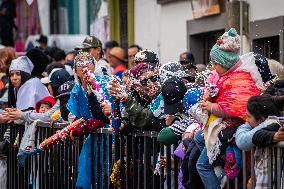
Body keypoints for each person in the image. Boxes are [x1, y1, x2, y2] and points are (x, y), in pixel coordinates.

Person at [195, 28, 261, 189]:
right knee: (198, 137)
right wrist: (208, 98)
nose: (213, 67)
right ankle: (217, 163)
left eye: (215, 63)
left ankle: (215, 168)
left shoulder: (239, 78)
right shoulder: (227, 75)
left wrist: (211, 106)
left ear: (225, 63)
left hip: (231, 128)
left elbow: (232, 108)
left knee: (202, 166)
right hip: (225, 127)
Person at [236, 95, 284, 189]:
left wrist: (273, 134)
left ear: (261, 119)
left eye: (249, 116)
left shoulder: (274, 124)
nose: (247, 120)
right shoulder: (268, 126)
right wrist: (274, 136)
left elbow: (243, 141)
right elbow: (245, 139)